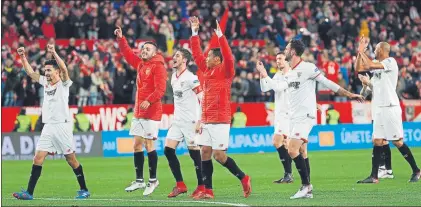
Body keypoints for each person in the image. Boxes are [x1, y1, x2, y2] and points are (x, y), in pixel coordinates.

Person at [256, 39, 364, 199]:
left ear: (292, 52)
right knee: (300, 151)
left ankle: (306, 186)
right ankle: (308, 189)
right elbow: (282, 89)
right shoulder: (289, 73)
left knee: (291, 149)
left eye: (286, 49)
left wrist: (349, 94)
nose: (284, 51)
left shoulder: (308, 68)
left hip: (305, 117)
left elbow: (327, 83)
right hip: (293, 117)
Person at [13, 44, 90, 200]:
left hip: (62, 126)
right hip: (48, 127)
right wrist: (22, 57)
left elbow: (65, 68)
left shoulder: (64, 84)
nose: (46, 72)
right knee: (38, 158)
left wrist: (54, 52)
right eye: (45, 70)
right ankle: (29, 193)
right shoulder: (45, 83)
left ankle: (84, 189)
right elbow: (30, 72)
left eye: (49, 70)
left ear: (57, 72)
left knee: (71, 160)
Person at [189, 17, 251, 200]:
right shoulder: (206, 71)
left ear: (217, 59)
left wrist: (220, 36)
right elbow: (196, 54)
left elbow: (229, 56)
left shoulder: (226, 71)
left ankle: (243, 177)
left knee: (219, 155)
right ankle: (208, 189)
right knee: (205, 152)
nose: (205, 58)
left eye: (209, 56)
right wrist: (194, 33)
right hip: (207, 119)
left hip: (221, 119)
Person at [355, 36, 420, 183]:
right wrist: (359, 53)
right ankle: (374, 176)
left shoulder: (390, 62)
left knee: (397, 141)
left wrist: (361, 51)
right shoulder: (377, 64)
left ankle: (416, 170)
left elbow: (370, 65)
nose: (375, 51)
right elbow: (359, 68)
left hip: (390, 106)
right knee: (377, 140)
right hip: (378, 108)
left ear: (383, 50)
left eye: (376, 49)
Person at [114, 26, 167, 195]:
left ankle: (153, 180)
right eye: (143, 48)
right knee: (137, 145)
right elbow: (128, 55)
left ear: (155, 52)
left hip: (151, 112)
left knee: (148, 144)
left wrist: (148, 100)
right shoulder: (141, 64)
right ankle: (139, 180)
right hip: (139, 111)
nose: (144, 51)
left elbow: (161, 89)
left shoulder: (158, 66)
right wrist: (121, 39)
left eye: (148, 49)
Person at [165, 48, 204, 198]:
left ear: (185, 61)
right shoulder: (174, 77)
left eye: (178, 56)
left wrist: (200, 120)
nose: (174, 58)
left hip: (191, 121)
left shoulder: (191, 77)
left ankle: (201, 186)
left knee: (195, 154)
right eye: (174, 55)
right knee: (168, 150)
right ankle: (180, 185)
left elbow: (202, 97)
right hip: (178, 121)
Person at [259, 52, 293, 184]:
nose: (277, 61)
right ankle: (289, 174)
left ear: (287, 60)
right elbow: (265, 88)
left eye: (280, 58)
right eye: (276, 58)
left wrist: (266, 74)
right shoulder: (278, 75)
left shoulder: (290, 75)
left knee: (279, 142)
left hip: (288, 115)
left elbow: (278, 88)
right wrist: (262, 75)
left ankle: (290, 174)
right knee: (285, 145)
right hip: (280, 115)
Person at [359, 73, 394, 179]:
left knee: (378, 140)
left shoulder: (384, 78)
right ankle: (388, 171)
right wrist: (365, 85)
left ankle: (382, 168)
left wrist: (368, 82)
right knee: (384, 141)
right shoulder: (374, 79)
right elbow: (363, 96)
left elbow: (380, 89)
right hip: (376, 114)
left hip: (383, 112)